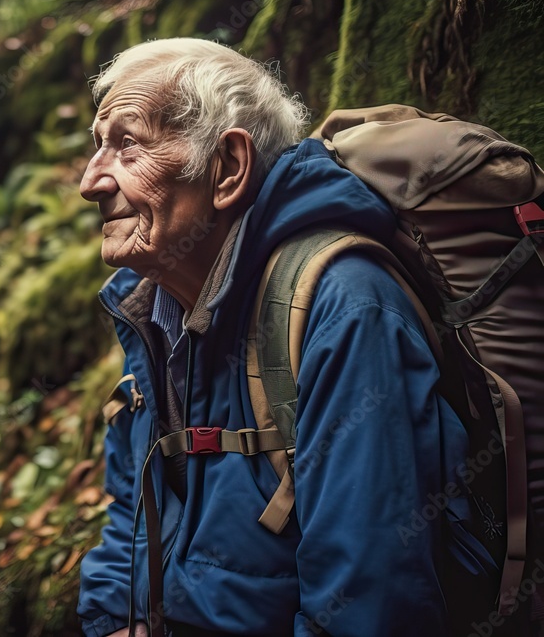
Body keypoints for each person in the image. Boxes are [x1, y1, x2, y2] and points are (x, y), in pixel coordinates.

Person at [76, 38, 493, 637]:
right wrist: (115, 618)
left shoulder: (345, 308)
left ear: (227, 169)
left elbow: (370, 605)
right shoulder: (155, 309)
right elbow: (132, 508)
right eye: (98, 147)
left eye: (128, 145)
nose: (92, 182)